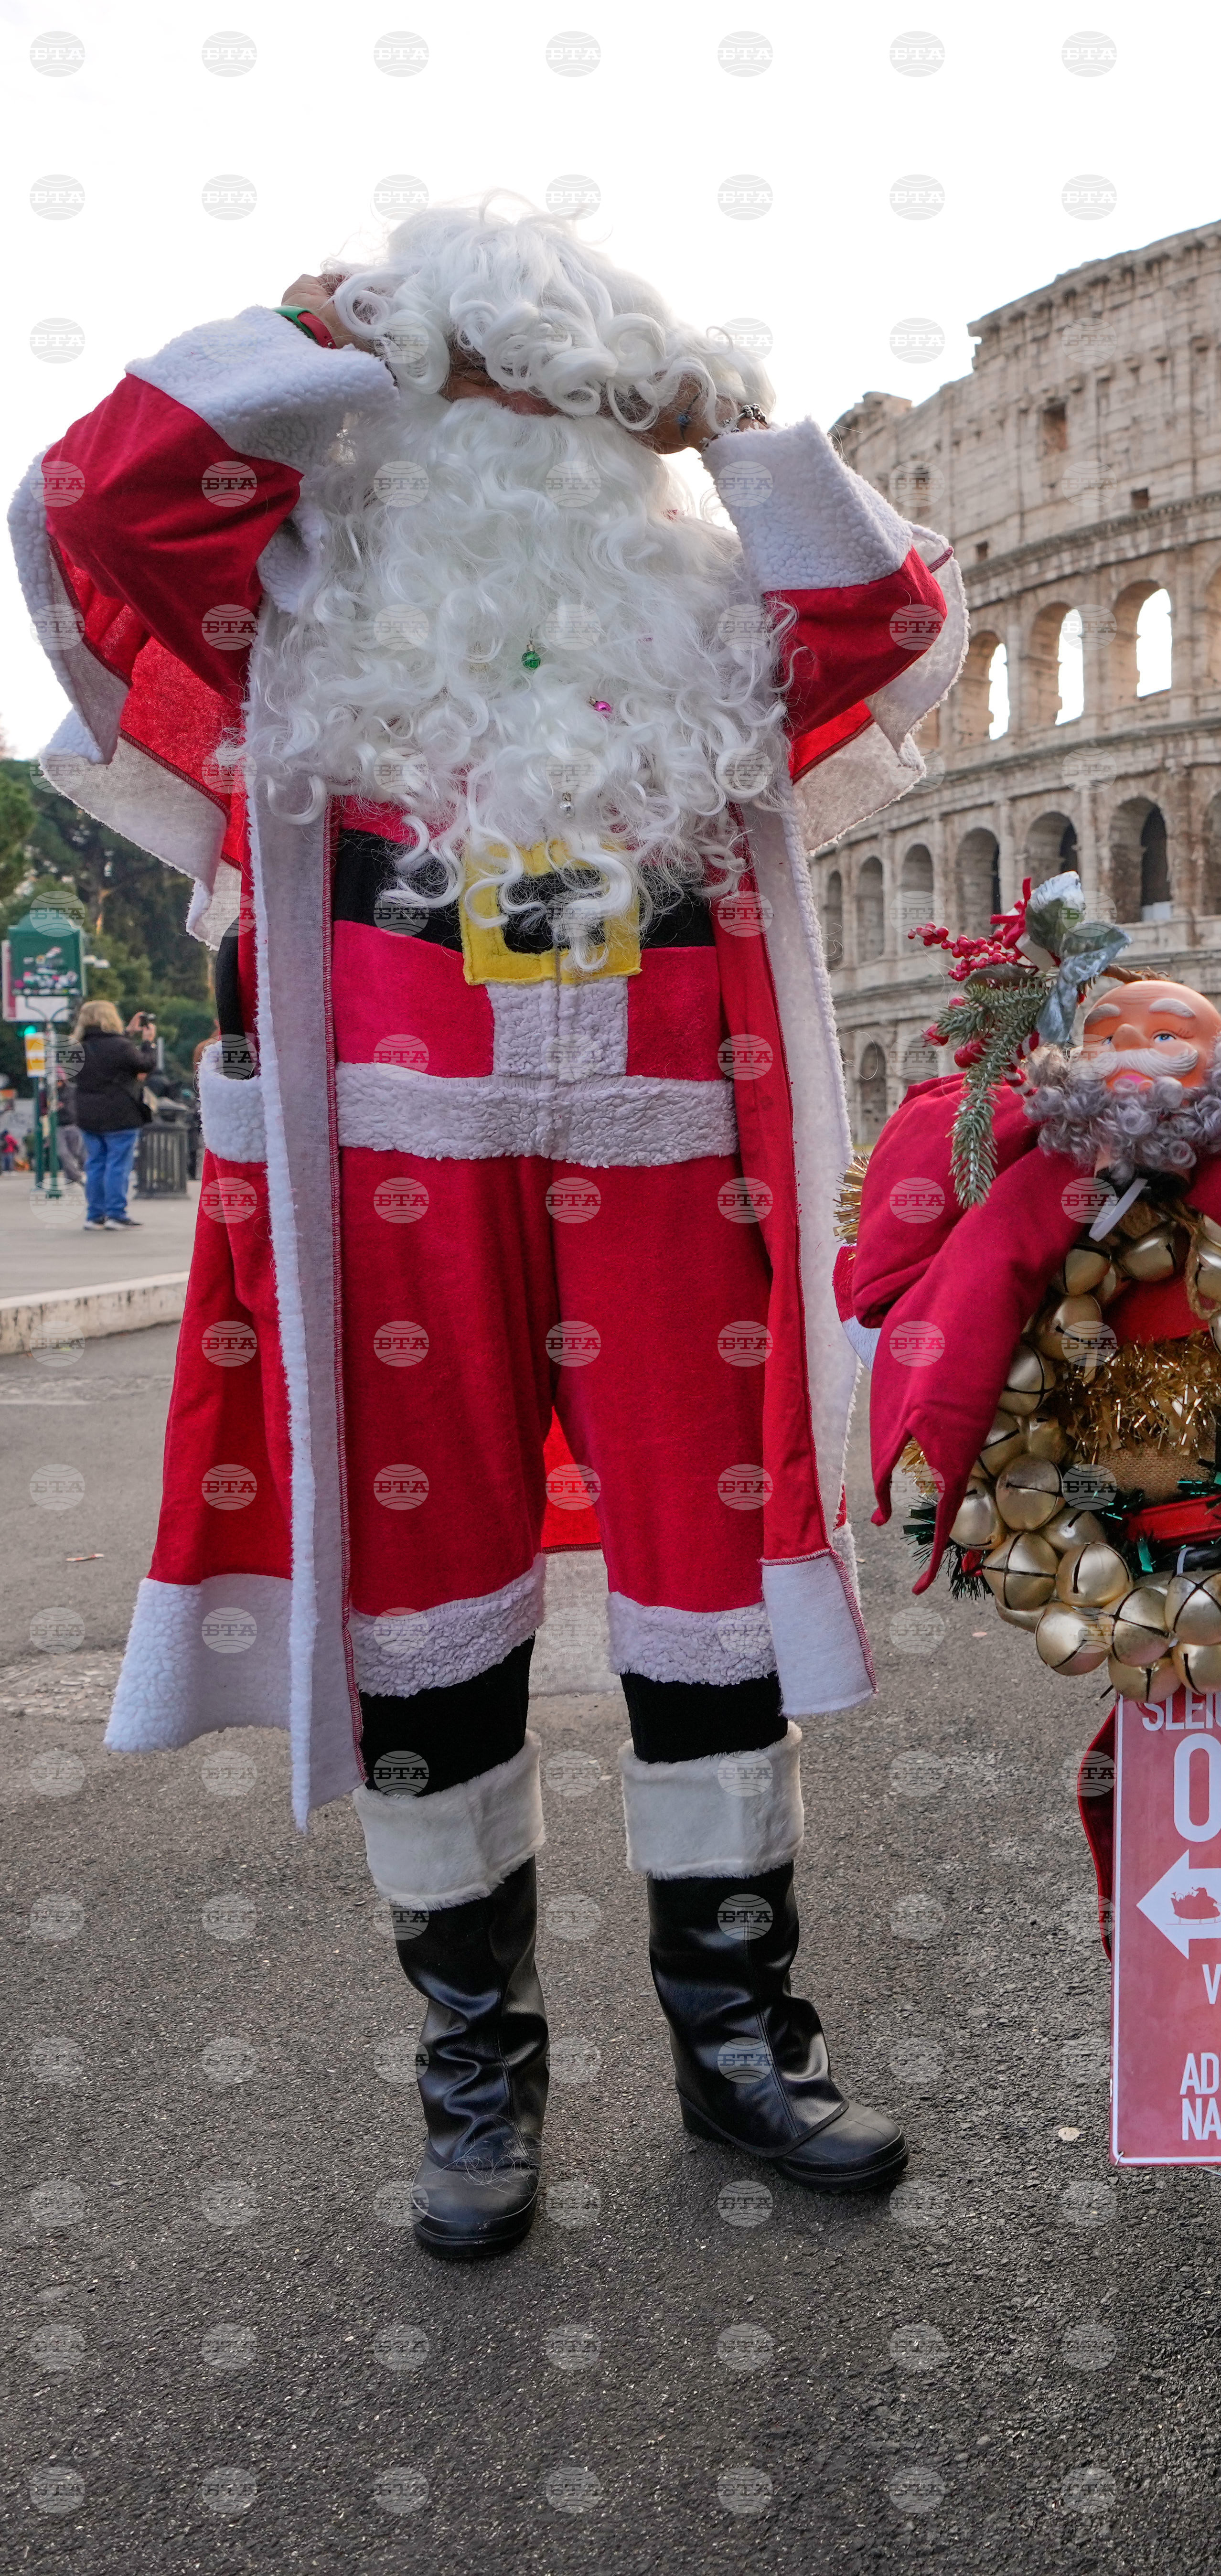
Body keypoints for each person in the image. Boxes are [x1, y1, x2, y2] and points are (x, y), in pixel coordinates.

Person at [15, 202, 965, 2256]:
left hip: (667, 1154)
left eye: (564, 404)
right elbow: (91, 507)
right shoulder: (300, 592)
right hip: (389, 1165)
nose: (516, 440)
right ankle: (479, 2077)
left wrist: (735, 426)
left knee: (709, 1611)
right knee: (428, 1623)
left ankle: (740, 2044)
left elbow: (892, 628)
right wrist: (337, 338)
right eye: (477, 396)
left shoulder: (709, 612)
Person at [67, 999, 157, 1227]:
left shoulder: (76, 1047)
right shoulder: (120, 1046)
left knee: (95, 1163)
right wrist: (148, 1043)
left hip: (87, 1113)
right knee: (118, 1164)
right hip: (120, 1113)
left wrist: (128, 1033)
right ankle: (116, 1214)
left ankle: (95, 1216)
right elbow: (144, 1065)